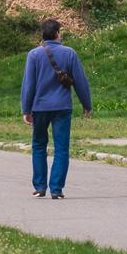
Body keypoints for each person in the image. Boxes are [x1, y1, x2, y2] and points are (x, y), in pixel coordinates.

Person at [20, 18, 92, 199]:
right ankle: (57, 189)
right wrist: (86, 105)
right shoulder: (69, 54)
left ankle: (39, 187)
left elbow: (29, 85)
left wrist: (26, 110)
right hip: (62, 107)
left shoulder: (34, 55)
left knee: (38, 145)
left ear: (42, 34)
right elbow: (80, 82)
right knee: (61, 148)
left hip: (40, 107)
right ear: (58, 33)